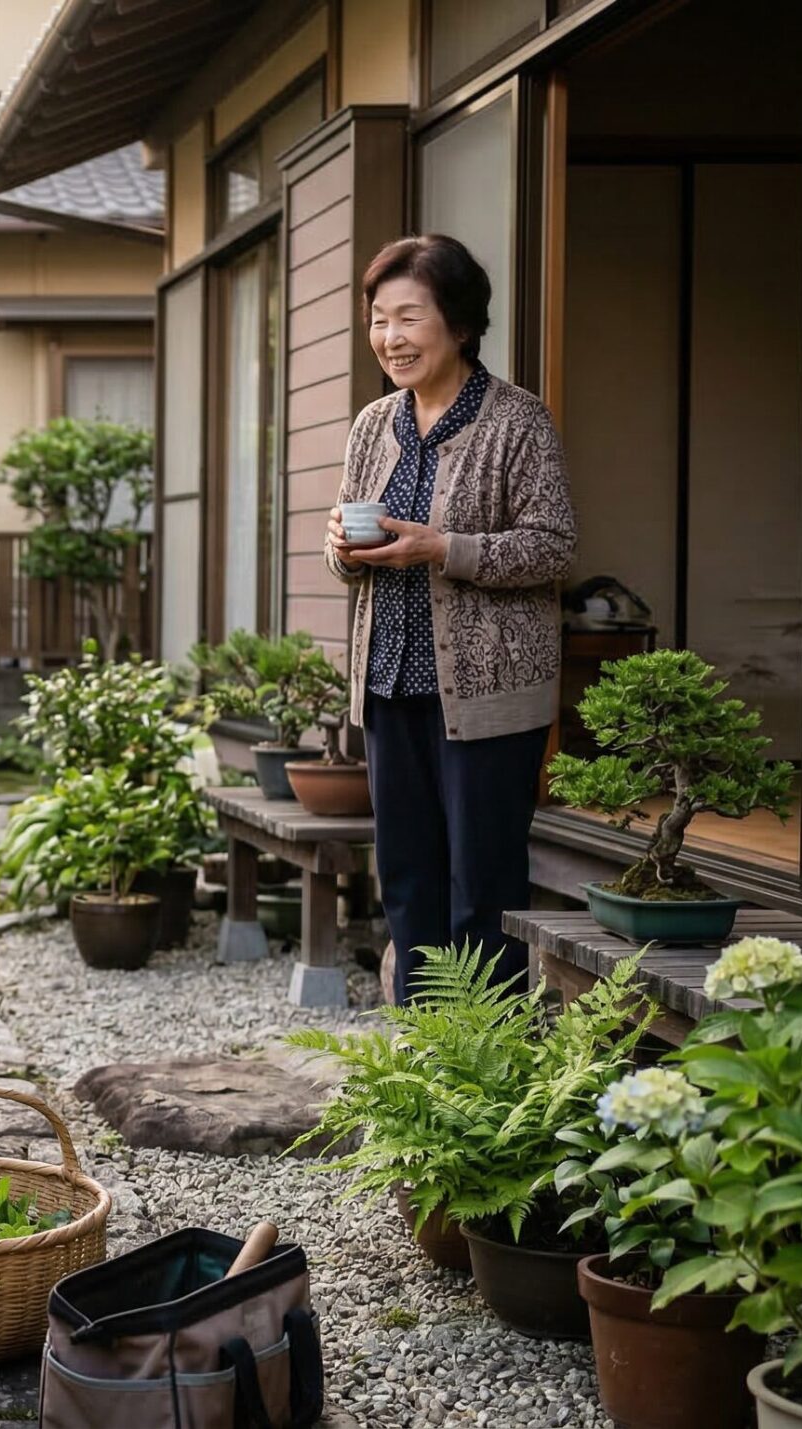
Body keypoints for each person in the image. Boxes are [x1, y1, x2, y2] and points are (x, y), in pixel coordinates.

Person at [324, 234, 575, 1003]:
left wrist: (444, 548)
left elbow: (552, 545)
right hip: (391, 682)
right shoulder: (373, 424)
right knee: (406, 878)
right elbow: (349, 550)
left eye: (409, 317)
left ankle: (485, 1063)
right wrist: (340, 547)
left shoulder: (518, 422)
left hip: (488, 698)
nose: (390, 338)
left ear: (460, 324)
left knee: (482, 886)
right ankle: (423, 1059)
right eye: (378, 320)